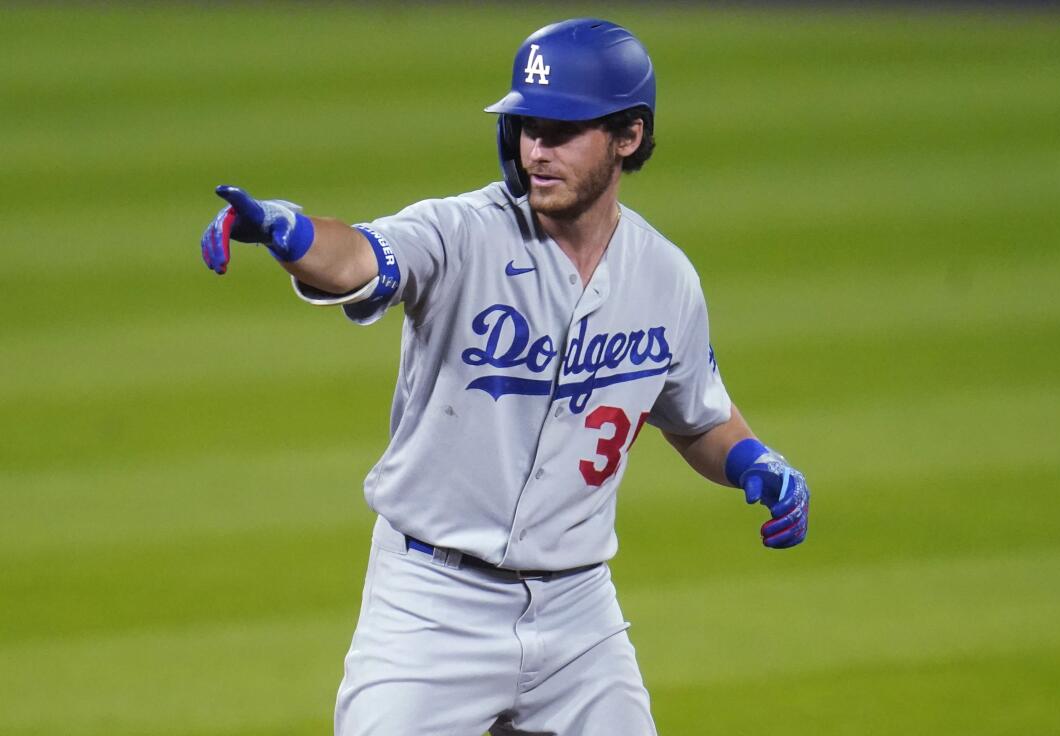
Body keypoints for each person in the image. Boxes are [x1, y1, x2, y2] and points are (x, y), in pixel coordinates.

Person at [198, 17, 808, 736]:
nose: (537, 150)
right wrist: (288, 233)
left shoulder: (666, 278)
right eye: (527, 127)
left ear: (628, 137)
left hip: (579, 616)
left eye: (562, 130)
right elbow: (361, 257)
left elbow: (696, 416)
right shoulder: (461, 234)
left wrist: (753, 462)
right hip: (431, 608)